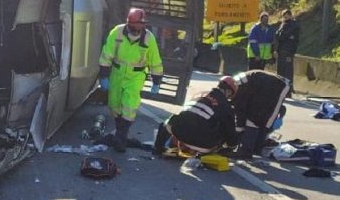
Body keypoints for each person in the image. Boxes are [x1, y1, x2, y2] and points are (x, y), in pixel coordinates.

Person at [98, 8, 163, 152]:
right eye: (136, 26)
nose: (138, 29)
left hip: (135, 76)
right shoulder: (117, 32)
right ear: (129, 23)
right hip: (117, 73)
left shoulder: (149, 38)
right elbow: (106, 55)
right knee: (114, 104)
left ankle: (121, 138)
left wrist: (156, 81)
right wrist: (103, 76)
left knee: (129, 105)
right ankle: (120, 134)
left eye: (141, 25)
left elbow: (155, 61)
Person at [153, 76, 239, 157]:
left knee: (169, 121)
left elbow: (185, 115)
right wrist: (232, 147)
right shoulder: (226, 107)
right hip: (204, 146)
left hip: (179, 134)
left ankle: (158, 148)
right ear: (229, 92)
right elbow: (230, 132)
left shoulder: (200, 95)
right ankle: (203, 153)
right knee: (223, 127)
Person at [230, 69, 291, 158]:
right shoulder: (237, 82)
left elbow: (240, 113)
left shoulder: (239, 90)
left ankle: (248, 150)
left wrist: (237, 134)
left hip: (278, 85)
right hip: (270, 85)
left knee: (255, 119)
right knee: (258, 118)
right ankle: (255, 148)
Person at [274, 9, 300, 91]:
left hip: (288, 51)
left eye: (287, 15)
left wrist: (291, 53)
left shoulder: (294, 25)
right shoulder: (282, 24)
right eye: (284, 16)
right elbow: (278, 36)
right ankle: (280, 87)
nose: (285, 17)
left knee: (288, 71)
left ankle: (289, 88)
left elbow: (292, 39)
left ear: (290, 15)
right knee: (280, 71)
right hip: (281, 51)